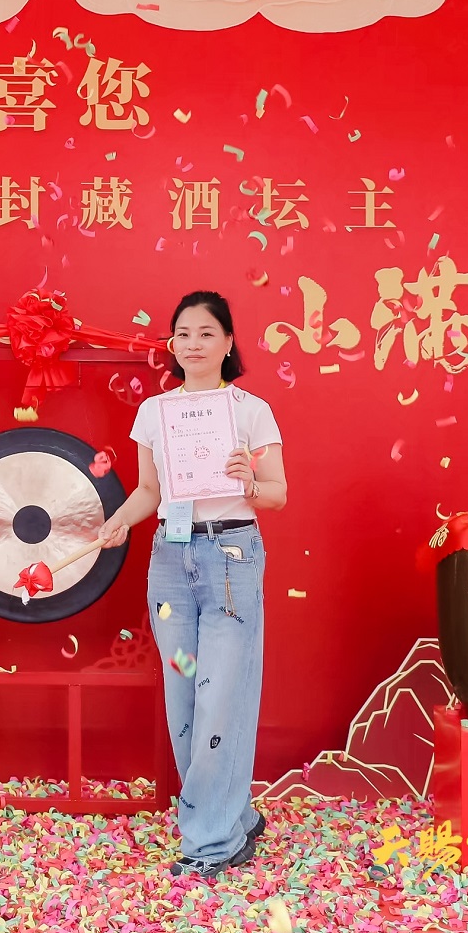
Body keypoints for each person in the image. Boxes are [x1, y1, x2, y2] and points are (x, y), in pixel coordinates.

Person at [95, 290, 287, 880]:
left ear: (228, 342)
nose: (194, 344)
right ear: (172, 345)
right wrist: (118, 522)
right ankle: (232, 814)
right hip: (171, 566)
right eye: (183, 334)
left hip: (231, 560)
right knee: (183, 690)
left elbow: (277, 494)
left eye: (206, 333)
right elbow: (149, 492)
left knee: (220, 693)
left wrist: (247, 481)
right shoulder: (155, 413)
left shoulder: (251, 410)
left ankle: (212, 841)